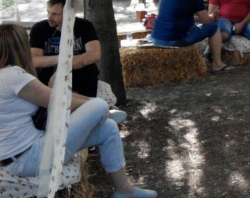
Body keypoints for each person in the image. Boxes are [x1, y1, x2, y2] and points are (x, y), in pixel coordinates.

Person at [0, 24, 157, 198]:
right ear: (19, 46)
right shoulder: (13, 76)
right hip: (29, 158)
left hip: (29, 152)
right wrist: (93, 104)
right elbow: (61, 102)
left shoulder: (7, 76)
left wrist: (85, 102)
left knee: (108, 128)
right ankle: (105, 113)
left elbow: (59, 99)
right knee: (99, 106)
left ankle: (124, 191)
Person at [151, 0, 233, 74]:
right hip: (175, 39)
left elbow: (176, 16)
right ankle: (217, 63)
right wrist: (213, 16)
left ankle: (211, 58)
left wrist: (203, 19)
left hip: (157, 37)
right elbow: (206, 21)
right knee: (213, 27)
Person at [30, 0, 100, 98]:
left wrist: (67, 67)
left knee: (89, 71)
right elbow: (34, 60)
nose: (49, 17)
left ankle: (87, 106)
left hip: (78, 73)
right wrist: (63, 60)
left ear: (69, 13)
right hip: (49, 74)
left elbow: (95, 54)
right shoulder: (40, 28)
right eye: (48, 12)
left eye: (54, 14)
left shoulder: (84, 26)